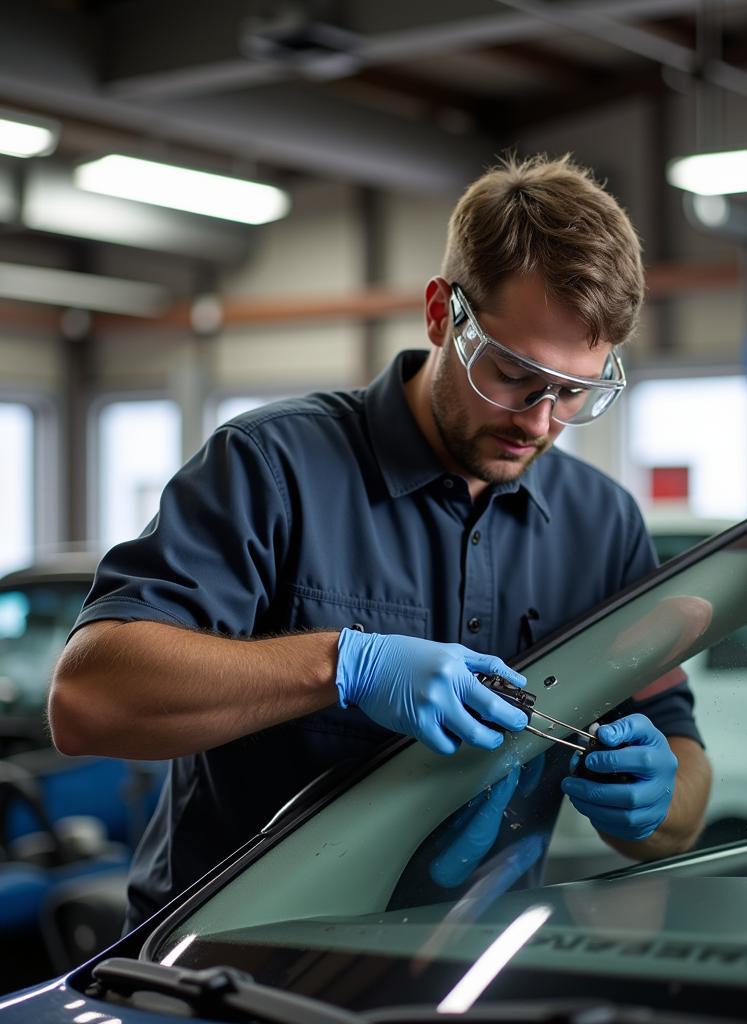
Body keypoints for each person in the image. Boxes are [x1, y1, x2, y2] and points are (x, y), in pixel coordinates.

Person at [49, 153, 712, 929]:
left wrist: (656, 797)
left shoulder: (603, 527)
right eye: (511, 372)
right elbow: (88, 701)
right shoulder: (273, 469)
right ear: (441, 314)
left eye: (573, 392)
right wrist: (343, 665)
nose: (537, 421)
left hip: (464, 978)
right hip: (225, 972)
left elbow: (684, 781)